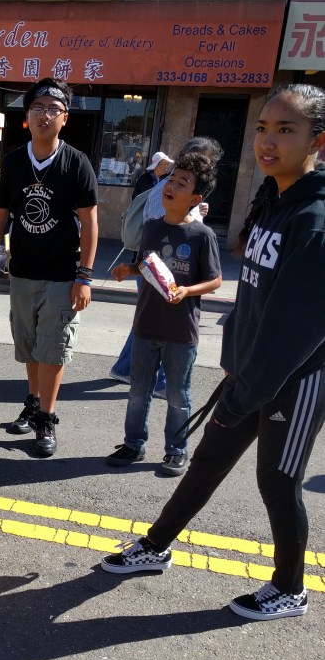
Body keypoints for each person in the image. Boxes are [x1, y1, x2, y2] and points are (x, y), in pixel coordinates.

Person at [101, 83, 325, 622]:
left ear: (319, 139)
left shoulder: (314, 219)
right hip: (250, 374)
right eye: (263, 129)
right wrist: (234, 367)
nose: (268, 141)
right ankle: (156, 546)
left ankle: (290, 588)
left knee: (278, 480)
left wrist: (245, 391)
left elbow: (299, 328)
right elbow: (249, 297)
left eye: (285, 130)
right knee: (205, 464)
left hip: (296, 381)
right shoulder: (275, 197)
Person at [0, 76, 99, 457]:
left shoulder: (76, 163)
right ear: (26, 117)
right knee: (30, 347)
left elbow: (90, 222)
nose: (44, 115)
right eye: (37, 108)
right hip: (22, 271)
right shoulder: (14, 161)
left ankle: (47, 421)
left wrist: (84, 276)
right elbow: (0, 214)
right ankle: (33, 404)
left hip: (61, 274)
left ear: (64, 118)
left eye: (53, 109)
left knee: (53, 350)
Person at [105, 151, 222, 476]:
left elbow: (215, 280)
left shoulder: (202, 235)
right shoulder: (152, 227)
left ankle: (176, 450)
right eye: (171, 179)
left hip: (181, 333)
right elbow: (147, 266)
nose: (171, 186)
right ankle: (133, 443)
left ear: (195, 198)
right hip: (146, 326)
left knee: (177, 396)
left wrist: (187, 291)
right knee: (138, 392)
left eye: (181, 183)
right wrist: (128, 269)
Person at [109, 136, 224, 392]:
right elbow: (169, 225)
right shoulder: (169, 189)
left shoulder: (173, 187)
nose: (204, 166)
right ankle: (159, 382)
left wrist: (196, 212)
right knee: (160, 324)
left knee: (150, 321)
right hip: (161, 267)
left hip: (161, 266)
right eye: (202, 160)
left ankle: (124, 369)